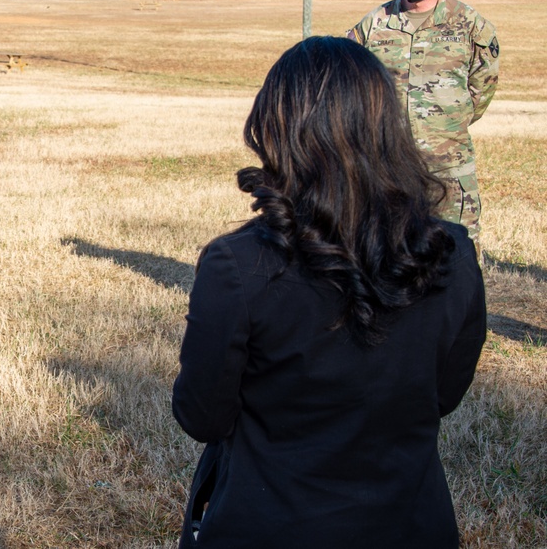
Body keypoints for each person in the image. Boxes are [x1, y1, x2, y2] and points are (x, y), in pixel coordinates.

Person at [172, 37, 486, 548]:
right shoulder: (453, 253)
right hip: (409, 521)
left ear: (276, 130)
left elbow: (202, 414)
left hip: (272, 522)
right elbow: (443, 394)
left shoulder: (239, 266)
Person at [348, 0, 499, 255]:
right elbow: (349, 83)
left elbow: (482, 87)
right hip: (386, 169)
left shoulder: (470, 26)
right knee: (382, 260)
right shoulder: (375, 24)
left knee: (456, 261)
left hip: (447, 171)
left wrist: (445, 124)